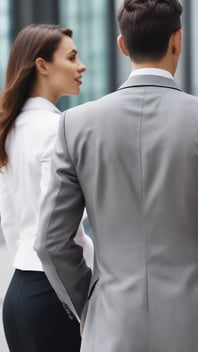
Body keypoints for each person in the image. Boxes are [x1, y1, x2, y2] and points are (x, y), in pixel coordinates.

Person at [35, 0, 198, 352]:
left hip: (111, 320)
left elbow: (50, 242)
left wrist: (90, 302)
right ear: (178, 40)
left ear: (122, 45)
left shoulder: (75, 124)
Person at [0, 24, 93, 352]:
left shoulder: (11, 127)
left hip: (18, 294)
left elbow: (10, 221)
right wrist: (84, 305)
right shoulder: (58, 128)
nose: (81, 66)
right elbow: (57, 234)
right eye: (71, 57)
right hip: (56, 296)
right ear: (42, 65)